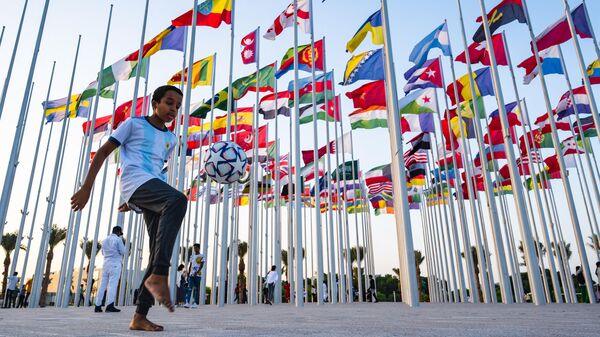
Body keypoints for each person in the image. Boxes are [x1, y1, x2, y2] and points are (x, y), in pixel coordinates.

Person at [71, 85, 185, 331]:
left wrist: (137, 201)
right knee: (179, 200)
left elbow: (158, 169)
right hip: (134, 181)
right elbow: (102, 152)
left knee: (157, 252)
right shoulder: (133, 124)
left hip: (152, 190)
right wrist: (86, 188)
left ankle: (139, 316)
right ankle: (161, 275)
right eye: (168, 102)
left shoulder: (170, 139)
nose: (173, 109)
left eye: (177, 106)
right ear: (155, 103)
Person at [94, 226, 127, 313]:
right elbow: (123, 252)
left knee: (102, 285)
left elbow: (102, 252)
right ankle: (110, 305)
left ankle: (97, 306)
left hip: (105, 263)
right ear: (119, 232)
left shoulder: (105, 240)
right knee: (112, 285)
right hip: (115, 263)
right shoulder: (118, 240)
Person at [185, 244, 203, 308]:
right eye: (194, 248)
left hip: (198, 275)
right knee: (190, 288)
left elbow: (202, 265)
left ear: (199, 248)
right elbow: (190, 265)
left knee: (197, 289)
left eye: (196, 248)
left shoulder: (202, 256)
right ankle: (187, 303)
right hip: (191, 275)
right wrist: (188, 273)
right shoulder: (192, 256)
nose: (195, 249)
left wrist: (197, 272)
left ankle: (195, 303)